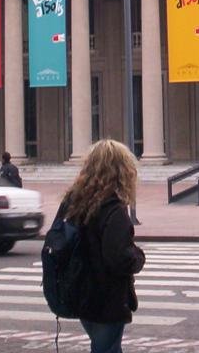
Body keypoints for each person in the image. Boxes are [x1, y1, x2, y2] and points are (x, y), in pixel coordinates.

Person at [53, 139, 145, 353]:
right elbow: (119, 257)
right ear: (121, 171)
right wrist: (139, 257)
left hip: (81, 295)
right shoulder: (113, 210)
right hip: (107, 300)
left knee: (107, 348)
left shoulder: (73, 203)